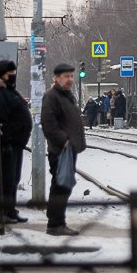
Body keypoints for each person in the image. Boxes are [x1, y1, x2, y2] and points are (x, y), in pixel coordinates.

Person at [41, 63, 87, 236]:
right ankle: (55, 224)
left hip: (68, 150)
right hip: (61, 150)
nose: (70, 80)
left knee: (64, 185)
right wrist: (64, 140)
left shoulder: (66, 96)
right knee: (61, 185)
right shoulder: (52, 97)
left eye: (71, 76)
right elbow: (48, 123)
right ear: (57, 78)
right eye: (66, 76)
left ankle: (58, 221)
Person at [0, 60, 33, 224]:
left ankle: (10, 210)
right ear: (1, 75)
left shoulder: (8, 90)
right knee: (5, 180)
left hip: (15, 145)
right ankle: (3, 212)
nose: (12, 76)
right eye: (9, 73)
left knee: (13, 179)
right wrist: (6, 141)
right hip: (6, 146)